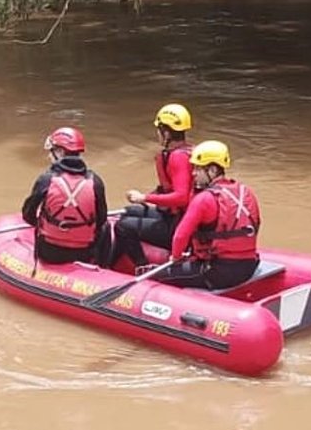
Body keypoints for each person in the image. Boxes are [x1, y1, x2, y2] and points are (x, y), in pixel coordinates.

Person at [159, 140, 262, 290]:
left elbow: (180, 237)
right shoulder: (246, 192)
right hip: (249, 266)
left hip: (218, 272)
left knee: (159, 276)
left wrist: (175, 258)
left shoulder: (204, 199)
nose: (193, 173)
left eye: (198, 169)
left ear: (212, 170)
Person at [107, 103, 194, 271]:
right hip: (175, 217)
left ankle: (142, 265)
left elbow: (181, 196)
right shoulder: (185, 152)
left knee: (122, 226)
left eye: (159, 130)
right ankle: (110, 266)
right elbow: (170, 190)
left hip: (180, 226)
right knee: (129, 211)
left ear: (166, 132)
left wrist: (144, 198)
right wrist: (149, 196)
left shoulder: (178, 158)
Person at [21, 127, 109, 265]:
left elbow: (28, 215)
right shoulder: (96, 182)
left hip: (49, 252)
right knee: (107, 227)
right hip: (84, 252)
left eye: (52, 151)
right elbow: (101, 219)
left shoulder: (46, 179)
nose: (49, 156)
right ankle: (103, 266)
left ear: (60, 152)